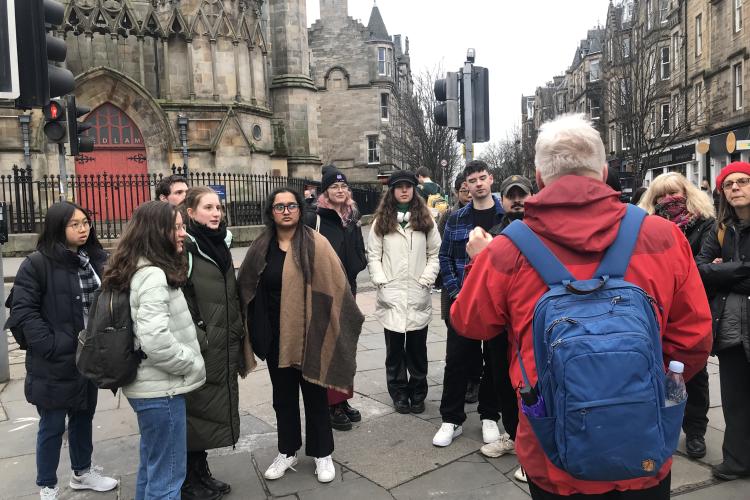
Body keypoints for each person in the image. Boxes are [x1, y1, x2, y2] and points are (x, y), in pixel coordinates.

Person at [451, 114, 712, 498]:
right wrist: (647, 386)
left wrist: (479, 261)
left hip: (551, 449)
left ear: (539, 179)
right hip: (642, 443)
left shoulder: (507, 248)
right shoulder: (663, 235)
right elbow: (694, 338)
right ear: (603, 171)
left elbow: (470, 324)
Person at [237, 188, 363, 484]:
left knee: (316, 395)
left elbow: (336, 283)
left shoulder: (316, 243)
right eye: (279, 206)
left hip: (312, 333)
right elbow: (246, 287)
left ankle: (322, 453)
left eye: (291, 205)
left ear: (299, 209)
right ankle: (287, 450)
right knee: (283, 398)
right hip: (275, 336)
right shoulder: (260, 246)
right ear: (271, 212)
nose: (285, 211)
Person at [7, 202, 117, 500]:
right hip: (54, 361)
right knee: (53, 425)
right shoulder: (37, 263)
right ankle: (47, 485)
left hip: (88, 356)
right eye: (75, 224)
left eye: (86, 222)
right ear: (58, 228)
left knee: (83, 416)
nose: (84, 229)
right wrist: (51, 345)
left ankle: (82, 472)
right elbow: (24, 311)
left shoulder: (94, 258)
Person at [103, 201, 205, 500]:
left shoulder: (134, 265)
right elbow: (155, 339)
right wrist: (190, 362)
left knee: (153, 467)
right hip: (161, 390)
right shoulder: (152, 275)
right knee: (168, 478)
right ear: (156, 232)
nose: (182, 233)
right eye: (176, 227)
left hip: (147, 387)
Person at [638, 172, 715, 460]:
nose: (669, 201)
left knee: (694, 375)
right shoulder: (647, 231)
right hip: (656, 314)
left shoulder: (706, 225)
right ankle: (665, 422)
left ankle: (695, 430)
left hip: (691, 310)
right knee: (659, 375)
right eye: (661, 196)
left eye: (675, 193)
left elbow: (704, 269)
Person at [433, 160, 503, 449]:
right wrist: (457, 293)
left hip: (497, 304)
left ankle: (489, 415)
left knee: (496, 362)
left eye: (482, 178)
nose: (477, 184)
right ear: (467, 185)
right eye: (472, 180)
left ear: (491, 179)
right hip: (465, 302)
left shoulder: (506, 217)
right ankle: (451, 419)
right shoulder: (456, 218)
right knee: (458, 360)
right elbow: (445, 258)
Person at [180, 186, 244, 498]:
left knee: (208, 411)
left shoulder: (221, 243)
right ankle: (187, 480)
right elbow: (180, 300)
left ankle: (200, 472)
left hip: (223, 344)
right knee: (195, 411)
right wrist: (201, 334)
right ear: (190, 213)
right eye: (207, 208)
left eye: (218, 207)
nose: (216, 213)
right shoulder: (185, 248)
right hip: (202, 346)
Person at [367, 170, 441, 414]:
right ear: (392, 190)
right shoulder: (381, 222)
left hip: (417, 292)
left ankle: (418, 393)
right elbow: (374, 255)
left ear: (414, 188)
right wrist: (382, 282)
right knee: (395, 352)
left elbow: (434, 254)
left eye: (408, 185)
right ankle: (399, 393)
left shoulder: (426, 219)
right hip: (392, 294)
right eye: (399, 186)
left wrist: (425, 280)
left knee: (418, 351)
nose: (404, 190)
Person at [696, 161, 750, 481]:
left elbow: (713, 273)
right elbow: (700, 270)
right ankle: (737, 460)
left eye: (742, 181)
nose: (735, 188)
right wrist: (742, 269)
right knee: (734, 399)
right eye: (729, 185)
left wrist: (725, 271)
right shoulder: (719, 229)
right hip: (730, 326)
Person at [479, 175, 534, 482]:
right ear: (503, 199)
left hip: (529, 325)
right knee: (502, 381)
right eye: (511, 195)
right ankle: (514, 436)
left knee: (530, 387)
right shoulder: (494, 235)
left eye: (522, 194)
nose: (517, 200)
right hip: (501, 326)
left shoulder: (542, 231)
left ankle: (532, 451)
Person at [304, 168, 367, 431]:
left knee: (346, 344)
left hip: (348, 288)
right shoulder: (315, 218)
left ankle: (343, 400)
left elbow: (359, 253)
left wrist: (356, 263)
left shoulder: (352, 217)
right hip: (324, 292)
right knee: (329, 348)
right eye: (334, 187)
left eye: (343, 187)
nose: (340, 191)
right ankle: (330, 404)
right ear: (325, 191)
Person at [437, 175, 479, 403]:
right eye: (463, 190)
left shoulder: (479, 213)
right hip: (454, 288)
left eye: (468, 189)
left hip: (476, 290)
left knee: (474, 340)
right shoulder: (449, 217)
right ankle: (462, 381)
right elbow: (444, 252)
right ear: (456, 193)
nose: (467, 193)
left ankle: (475, 379)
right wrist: (454, 288)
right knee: (457, 338)